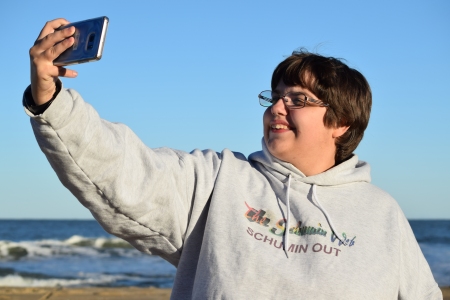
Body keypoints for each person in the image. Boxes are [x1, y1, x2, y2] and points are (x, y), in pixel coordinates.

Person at [24, 19, 442, 299]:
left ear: (342, 123)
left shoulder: (380, 214)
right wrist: (52, 101)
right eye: (275, 96)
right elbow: (124, 170)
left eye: (298, 99)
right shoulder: (220, 181)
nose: (278, 107)